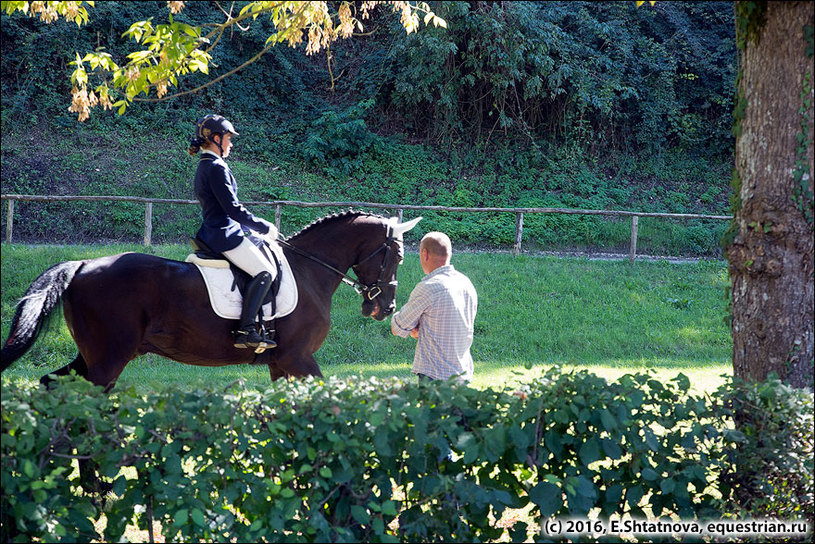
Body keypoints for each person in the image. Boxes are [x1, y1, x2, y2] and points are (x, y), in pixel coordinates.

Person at [188, 113, 278, 350]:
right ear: (216, 138)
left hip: (215, 230)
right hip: (224, 234)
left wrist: (251, 230)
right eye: (228, 138)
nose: (231, 143)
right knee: (266, 271)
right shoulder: (216, 167)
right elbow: (233, 209)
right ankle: (246, 329)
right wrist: (263, 226)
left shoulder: (205, 165)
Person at [391, 231, 478, 383]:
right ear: (449, 254)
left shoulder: (428, 288)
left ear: (424, 254)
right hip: (463, 375)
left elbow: (397, 328)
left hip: (435, 376)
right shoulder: (466, 283)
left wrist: (415, 327)